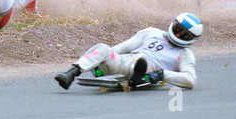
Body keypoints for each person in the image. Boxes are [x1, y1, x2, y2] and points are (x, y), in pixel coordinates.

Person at [54, 13, 203, 90]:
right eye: (177, 29)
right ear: (173, 24)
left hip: (150, 72)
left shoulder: (184, 55)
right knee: (104, 47)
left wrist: (162, 75)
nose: (178, 34)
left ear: (191, 38)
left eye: (183, 34)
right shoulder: (151, 32)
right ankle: (71, 73)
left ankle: (138, 76)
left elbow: (190, 80)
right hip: (124, 62)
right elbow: (123, 47)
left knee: (142, 59)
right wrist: (102, 59)